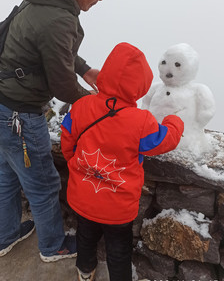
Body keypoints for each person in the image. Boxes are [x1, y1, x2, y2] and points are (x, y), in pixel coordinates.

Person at [0, 0, 114, 262]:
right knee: (42, 182)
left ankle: (5, 235)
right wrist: (103, 108)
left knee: (10, 175)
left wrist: (85, 69)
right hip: (19, 116)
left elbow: (48, 50)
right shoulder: (58, 17)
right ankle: (52, 245)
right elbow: (63, 88)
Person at [60, 42, 184, 281]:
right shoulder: (141, 122)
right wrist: (174, 122)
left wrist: (75, 165)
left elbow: (67, 140)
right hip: (118, 208)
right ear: (140, 85)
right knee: (118, 249)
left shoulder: (82, 106)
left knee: (85, 237)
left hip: (83, 196)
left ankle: (85, 271)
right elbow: (164, 141)